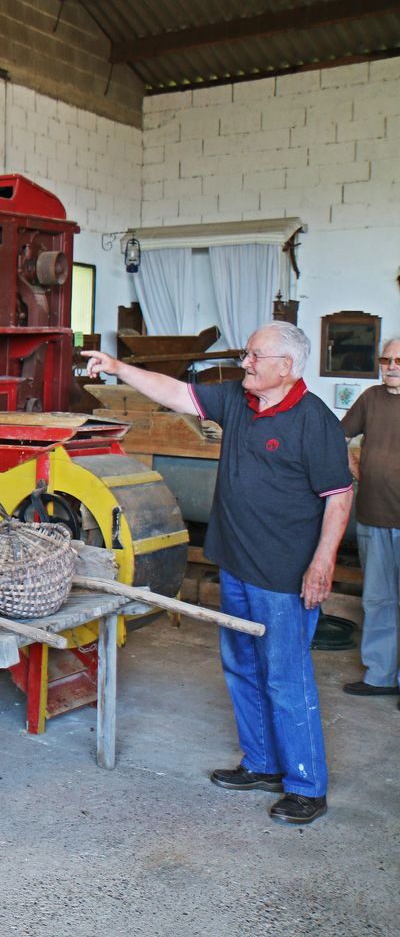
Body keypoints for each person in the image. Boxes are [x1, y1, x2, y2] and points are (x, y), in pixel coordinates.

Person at [82, 321, 352, 826]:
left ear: (285, 368)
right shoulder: (239, 400)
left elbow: (338, 495)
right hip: (237, 563)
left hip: (284, 575)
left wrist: (323, 562)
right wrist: (118, 368)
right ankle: (262, 763)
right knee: (242, 667)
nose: (245, 363)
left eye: (254, 356)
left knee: (286, 678)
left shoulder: (315, 422)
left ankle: (306, 785)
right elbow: (178, 393)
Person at [339, 336, 400, 705]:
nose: (392, 366)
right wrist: (355, 467)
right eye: (387, 359)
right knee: (378, 599)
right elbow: (337, 436)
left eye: (399, 360)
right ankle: (380, 676)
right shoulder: (371, 399)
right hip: (373, 515)